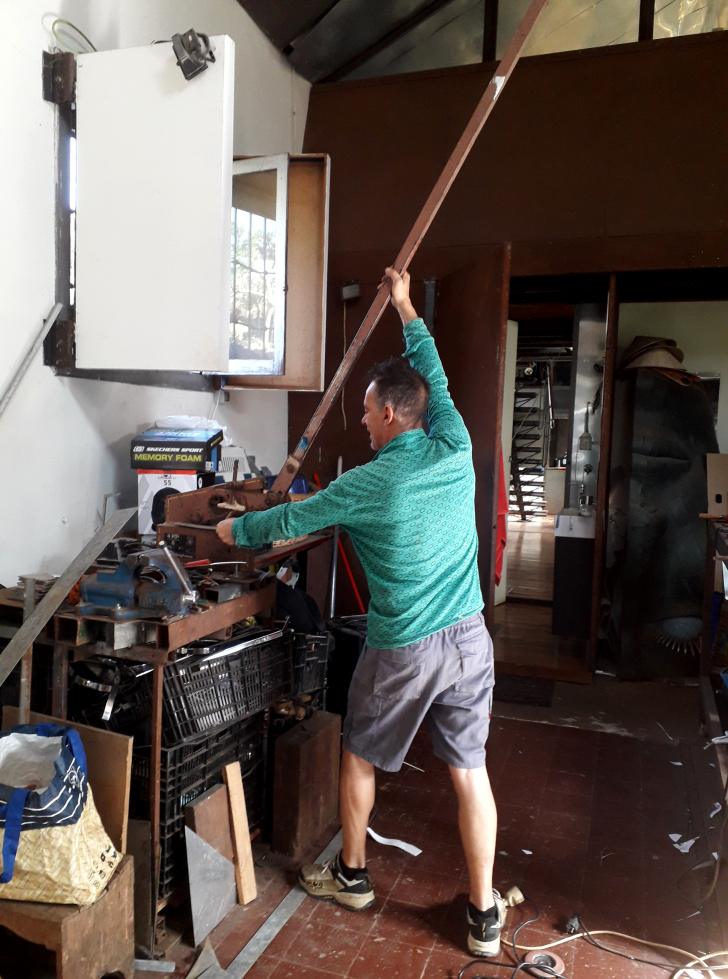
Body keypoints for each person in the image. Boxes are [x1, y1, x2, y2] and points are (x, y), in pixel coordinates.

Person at [216, 268, 500, 956]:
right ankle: (484, 916)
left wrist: (232, 530)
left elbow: (291, 520)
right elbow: (434, 376)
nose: (364, 420)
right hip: (471, 637)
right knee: (471, 771)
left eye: (370, 411)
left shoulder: (368, 482)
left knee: (360, 752)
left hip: (405, 647)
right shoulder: (455, 444)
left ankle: (352, 875)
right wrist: (405, 307)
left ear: (393, 416)